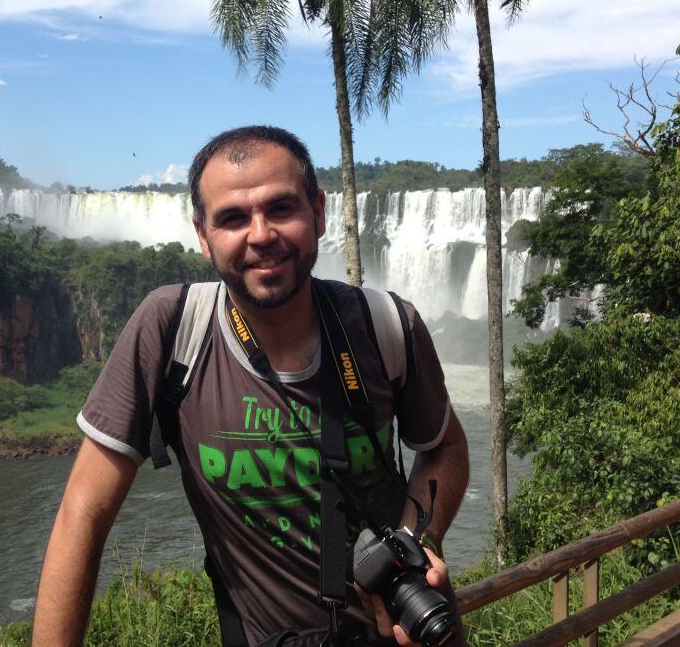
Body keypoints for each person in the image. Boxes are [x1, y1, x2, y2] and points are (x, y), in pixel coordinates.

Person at [33, 126, 469, 646]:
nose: (260, 234)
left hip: (411, 632)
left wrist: (411, 545)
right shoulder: (173, 330)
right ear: (202, 234)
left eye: (281, 208)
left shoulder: (386, 325)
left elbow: (444, 447)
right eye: (233, 218)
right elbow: (83, 514)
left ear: (319, 212)